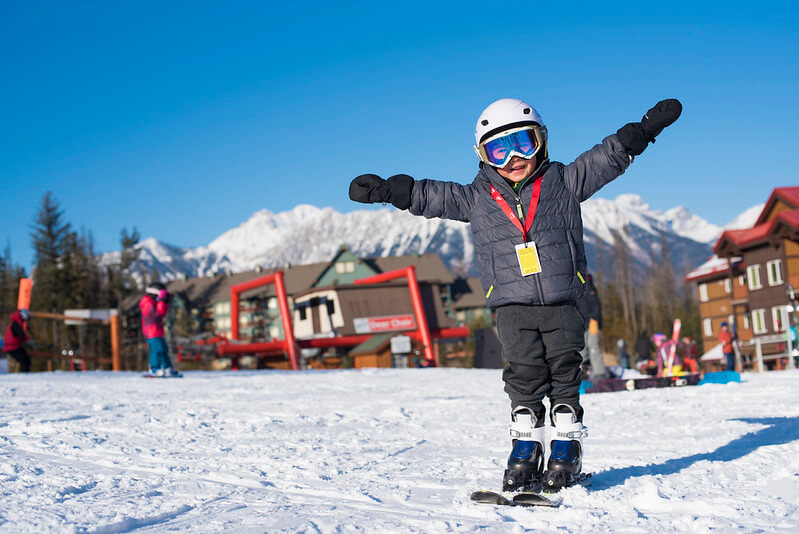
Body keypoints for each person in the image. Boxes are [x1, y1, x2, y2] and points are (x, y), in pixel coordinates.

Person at [349, 97, 682, 491]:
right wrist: (390, 190)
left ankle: (566, 451)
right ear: (483, 156)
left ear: (541, 141)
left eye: (522, 143)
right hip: (511, 307)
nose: (513, 158)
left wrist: (641, 132)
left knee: (565, 376)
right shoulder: (475, 198)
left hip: (562, 301)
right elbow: (432, 196)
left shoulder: (563, 181)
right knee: (523, 378)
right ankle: (526, 450)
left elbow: (603, 160)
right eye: (498, 150)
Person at [139, 282, 176, 376]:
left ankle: (167, 368)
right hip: (151, 332)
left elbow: (162, 313)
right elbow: (157, 314)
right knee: (157, 350)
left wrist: (165, 302)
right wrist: (161, 301)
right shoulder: (146, 302)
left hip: (158, 331)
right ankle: (154, 368)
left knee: (164, 350)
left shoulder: (154, 302)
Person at [577, 273, 606, 379]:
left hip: (593, 322)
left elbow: (596, 305)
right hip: (582, 323)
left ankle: (600, 373)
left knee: (593, 346)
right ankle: (583, 371)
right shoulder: (576, 289)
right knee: (582, 348)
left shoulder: (587, 284)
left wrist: (595, 319)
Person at [2, 309, 34, 373]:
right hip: (12, 347)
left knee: (26, 360)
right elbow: (21, 334)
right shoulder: (16, 323)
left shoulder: (17, 322)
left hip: (13, 346)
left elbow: (21, 335)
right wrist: (29, 341)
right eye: (27, 316)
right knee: (25, 361)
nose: (27, 319)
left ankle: (25, 374)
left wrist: (28, 341)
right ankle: (25, 376)